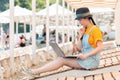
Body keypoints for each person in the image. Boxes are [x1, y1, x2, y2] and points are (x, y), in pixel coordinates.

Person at [23, 7, 103, 78]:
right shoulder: (85, 30)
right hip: (85, 60)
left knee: (62, 60)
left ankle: (35, 72)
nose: (79, 22)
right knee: (61, 58)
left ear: (86, 18)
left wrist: (85, 55)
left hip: (91, 61)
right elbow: (79, 48)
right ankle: (35, 72)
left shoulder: (95, 30)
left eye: (80, 19)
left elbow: (100, 47)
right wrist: (80, 36)